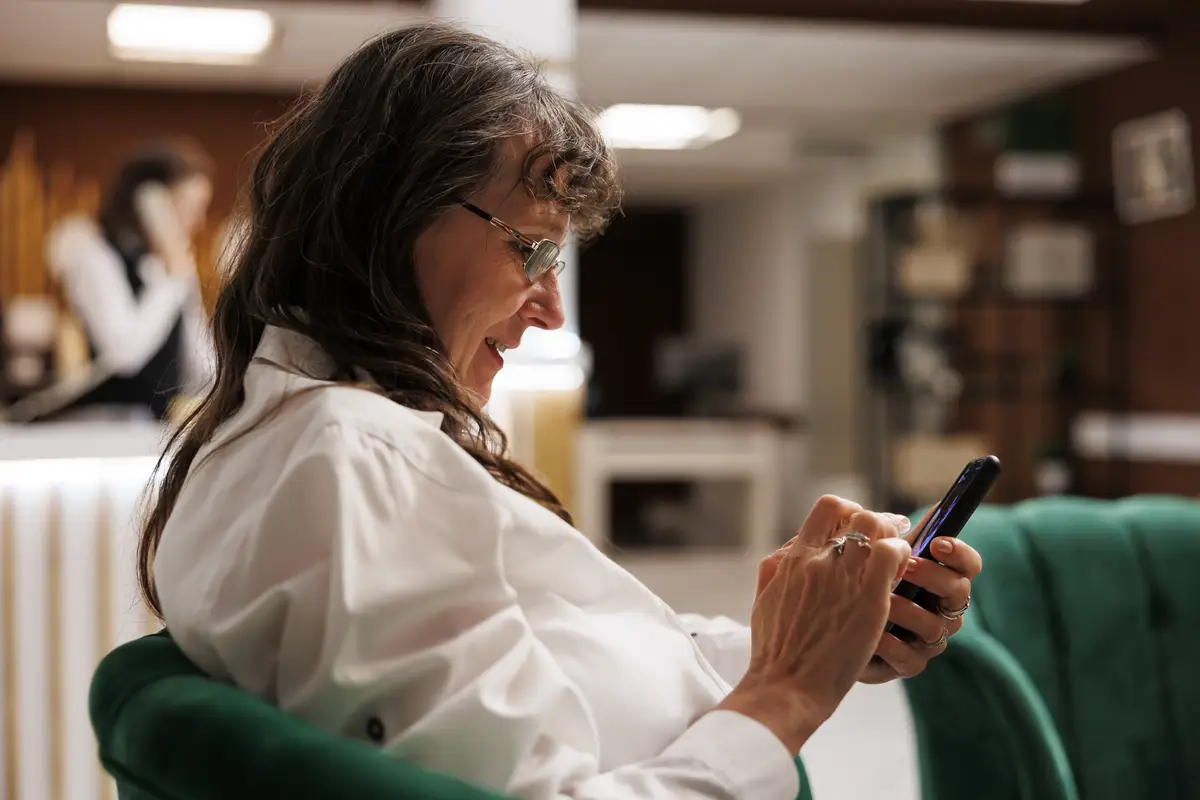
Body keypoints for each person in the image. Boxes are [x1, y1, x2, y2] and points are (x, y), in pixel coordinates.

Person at [143, 24, 982, 800]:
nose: (550, 309)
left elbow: (556, 654)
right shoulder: (356, 460)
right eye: (532, 249)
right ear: (390, 214)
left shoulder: (306, 439)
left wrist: (808, 634)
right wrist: (789, 690)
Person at [37, 141, 215, 421]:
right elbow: (124, 353)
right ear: (150, 203)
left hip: (159, 427)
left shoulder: (175, 266)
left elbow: (201, 363)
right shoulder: (92, 252)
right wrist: (171, 280)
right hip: (105, 425)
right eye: (190, 207)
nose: (199, 221)